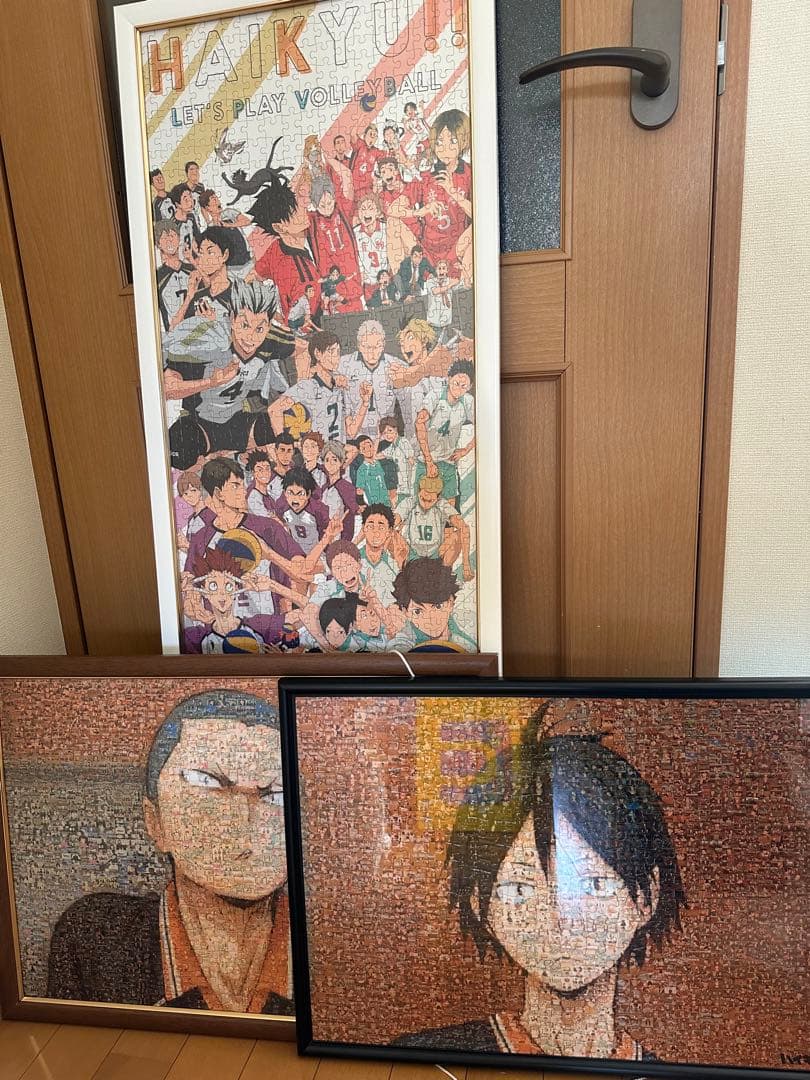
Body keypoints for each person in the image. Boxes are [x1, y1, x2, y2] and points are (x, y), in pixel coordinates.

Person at [394, 708, 686, 1058]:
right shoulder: (425, 1058)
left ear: (646, 898)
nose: (558, 918)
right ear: (479, 905)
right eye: (519, 889)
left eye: (594, 885)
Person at [46, 691, 294, 1013]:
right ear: (155, 820)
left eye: (275, 795)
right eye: (208, 782)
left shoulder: (329, 942)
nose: (244, 821)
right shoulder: (95, 936)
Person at [163, 279, 291, 470]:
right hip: (198, 426)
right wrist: (211, 382)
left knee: (293, 422)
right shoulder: (207, 341)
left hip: (236, 425)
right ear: (232, 318)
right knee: (178, 454)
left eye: (259, 328)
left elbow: (304, 348)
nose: (251, 337)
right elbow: (167, 389)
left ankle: (226, 453)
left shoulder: (272, 340)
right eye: (245, 325)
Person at [419, 109, 474, 282]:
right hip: (429, 250)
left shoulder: (470, 173)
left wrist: (452, 191)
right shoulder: (426, 177)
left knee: (477, 229)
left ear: (463, 142)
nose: (444, 149)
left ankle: (464, 279)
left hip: (458, 248)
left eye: (452, 141)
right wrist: (421, 211)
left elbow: (481, 216)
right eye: (439, 142)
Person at [414, 359, 475, 506]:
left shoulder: (468, 401)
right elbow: (419, 422)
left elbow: (484, 427)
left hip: (448, 463)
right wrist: (429, 461)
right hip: (426, 461)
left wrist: (466, 450)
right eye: (456, 383)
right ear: (449, 379)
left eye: (464, 386)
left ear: (470, 387)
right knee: (422, 507)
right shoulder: (435, 395)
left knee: (449, 509)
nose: (458, 388)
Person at [396, 473, 473, 582]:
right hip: (412, 553)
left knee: (459, 534)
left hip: (437, 553)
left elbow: (464, 527)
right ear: (418, 492)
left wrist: (466, 564)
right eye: (422, 498)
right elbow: (394, 520)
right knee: (391, 533)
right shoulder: (409, 502)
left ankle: (444, 573)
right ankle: (404, 574)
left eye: (430, 501)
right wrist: (396, 524)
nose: (425, 504)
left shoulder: (443, 504)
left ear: (438, 497)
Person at [390, 556, 475, 650]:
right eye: (417, 611)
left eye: (438, 606)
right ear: (405, 612)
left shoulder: (468, 634)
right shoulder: (402, 643)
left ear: (451, 602)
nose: (431, 618)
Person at [154, 220, 192, 332]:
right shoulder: (157, 277)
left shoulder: (192, 269)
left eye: (172, 236)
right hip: (175, 335)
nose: (169, 240)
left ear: (179, 238)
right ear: (158, 244)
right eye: (164, 238)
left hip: (200, 329)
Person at [353, 194, 389, 305]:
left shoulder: (386, 228)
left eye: (370, 208)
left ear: (377, 212)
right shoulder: (354, 233)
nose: (366, 212)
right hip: (367, 285)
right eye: (363, 209)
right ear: (358, 213)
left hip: (386, 282)